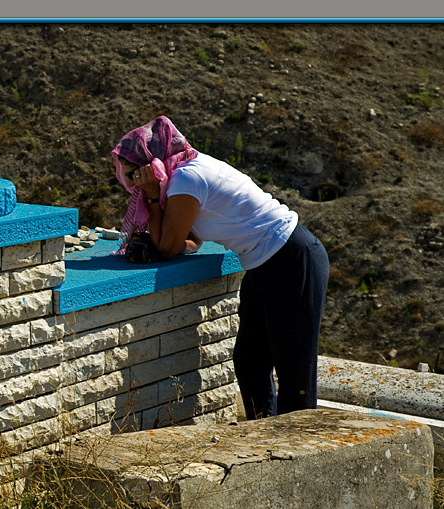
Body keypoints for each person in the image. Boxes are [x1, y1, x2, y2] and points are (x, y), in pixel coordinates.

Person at [112, 115, 329, 419]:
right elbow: (192, 242)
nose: (131, 183)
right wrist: (157, 240)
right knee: (251, 360)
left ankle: (299, 457)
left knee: (295, 372)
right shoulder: (183, 174)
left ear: (154, 164)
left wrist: (151, 199)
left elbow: (169, 246)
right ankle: (263, 436)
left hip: (290, 259)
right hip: (265, 262)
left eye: (134, 174)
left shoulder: (186, 179)